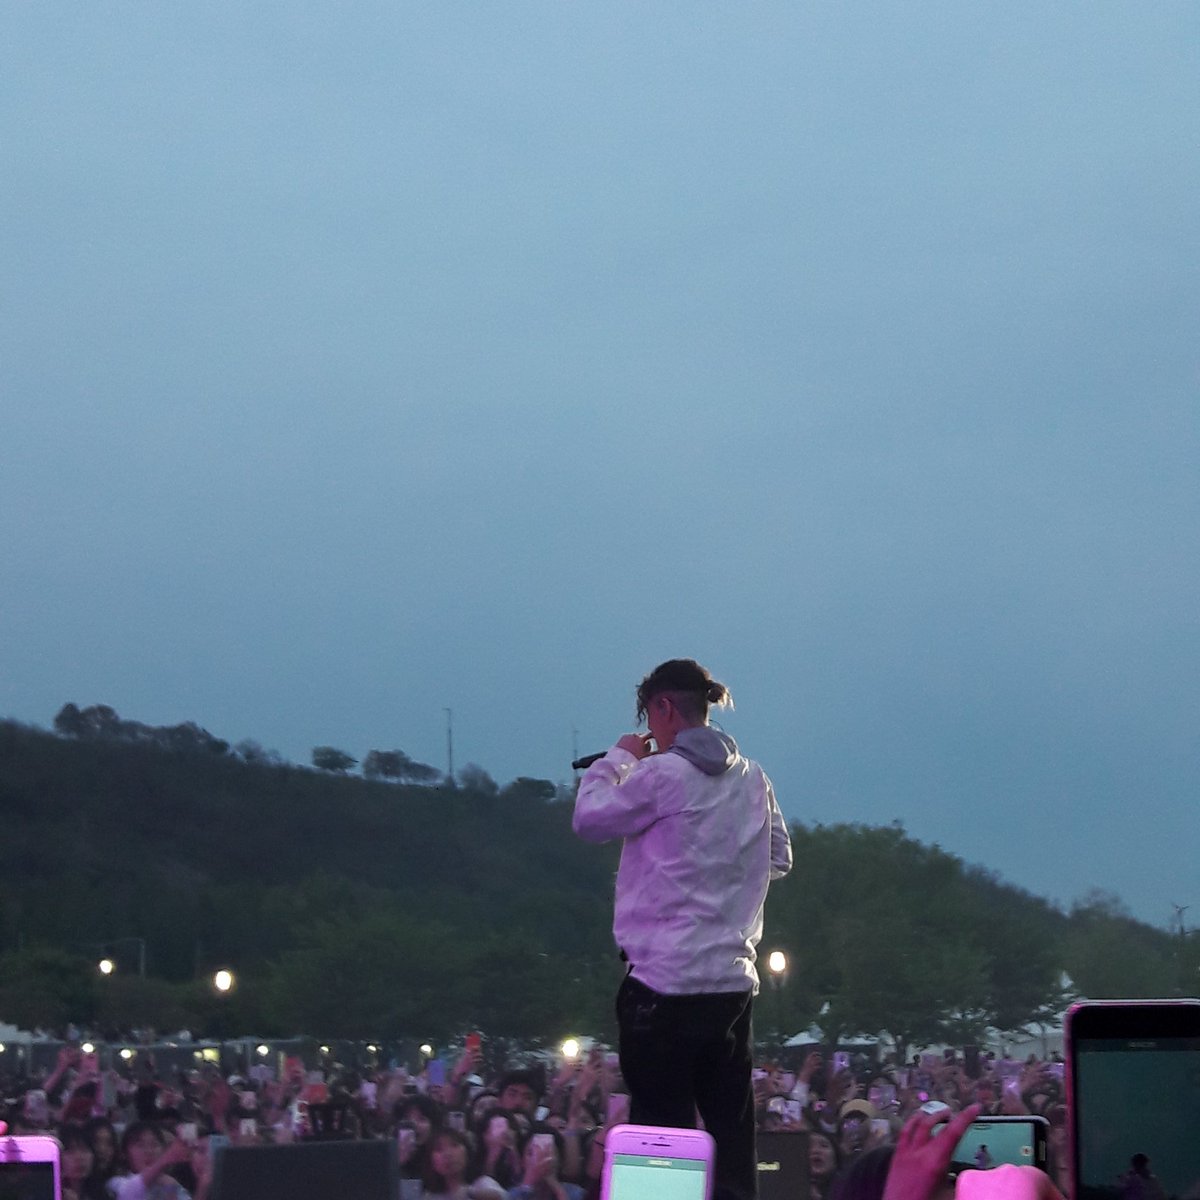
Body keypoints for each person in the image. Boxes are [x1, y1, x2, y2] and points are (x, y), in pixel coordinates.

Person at [573, 658, 793, 1200]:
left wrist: (621, 756)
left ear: (665, 707)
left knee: (661, 1144)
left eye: (650, 716)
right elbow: (780, 858)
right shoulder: (753, 777)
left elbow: (590, 818)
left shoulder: (660, 774)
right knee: (732, 1140)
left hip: (663, 987)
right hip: (731, 986)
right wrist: (723, 864)